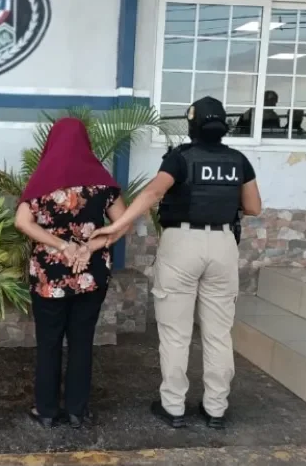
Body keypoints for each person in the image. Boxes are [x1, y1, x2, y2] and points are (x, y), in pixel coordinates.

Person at [90, 96, 262, 430]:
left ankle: (173, 407)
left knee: (175, 332)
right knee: (218, 334)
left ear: (191, 124)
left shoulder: (180, 158)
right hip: (223, 244)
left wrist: (117, 225)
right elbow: (254, 207)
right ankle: (215, 409)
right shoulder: (238, 160)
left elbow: (153, 193)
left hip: (182, 244)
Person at [14, 117, 127, 429]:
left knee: (48, 342)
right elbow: (123, 222)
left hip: (49, 278)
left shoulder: (42, 180)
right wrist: (89, 247)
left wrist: (61, 246)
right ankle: (77, 410)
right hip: (90, 275)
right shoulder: (101, 182)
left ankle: (47, 411)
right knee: (82, 341)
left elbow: (22, 222)